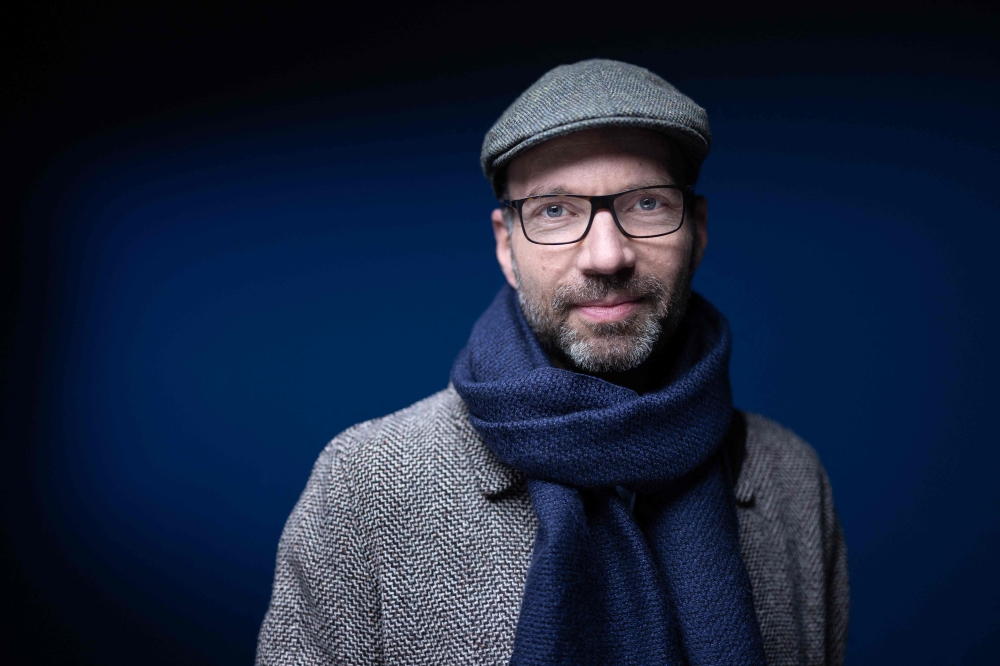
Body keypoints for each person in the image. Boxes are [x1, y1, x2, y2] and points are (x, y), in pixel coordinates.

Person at [256, 59, 849, 666]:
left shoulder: (791, 479)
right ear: (505, 246)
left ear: (696, 232)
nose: (606, 255)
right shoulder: (366, 483)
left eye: (646, 203)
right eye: (555, 211)